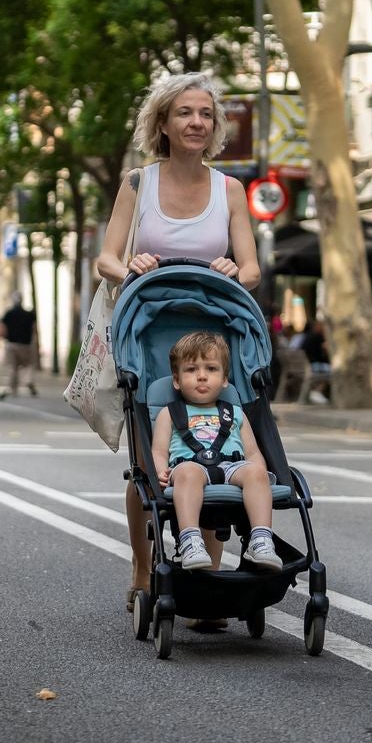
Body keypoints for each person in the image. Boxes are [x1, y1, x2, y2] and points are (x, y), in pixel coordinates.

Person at [96, 71, 260, 609]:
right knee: (147, 463)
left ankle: (205, 582)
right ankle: (143, 571)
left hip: (213, 334)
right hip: (149, 333)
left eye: (206, 114)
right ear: (163, 123)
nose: (196, 122)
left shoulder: (230, 190)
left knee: (215, 450)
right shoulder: (138, 183)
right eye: (185, 113)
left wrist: (235, 268)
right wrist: (128, 266)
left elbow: (253, 269)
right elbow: (105, 258)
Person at [152, 332, 281, 571]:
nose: (201, 376)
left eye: (211, 368)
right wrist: (161, 471)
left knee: (255, 472)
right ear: (177, 380)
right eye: (191, 370)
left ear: (224, 379)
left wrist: (260, 473)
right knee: (188, 472)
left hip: (231, 467)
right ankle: (191, 540)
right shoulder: (169, 413)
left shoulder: (235, 413)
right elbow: (158, 451)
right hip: (189, 466)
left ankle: (261, 539)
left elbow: (252, 453)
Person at [0, 293, 38, 400]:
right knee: (27, 365)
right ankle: (28, 381)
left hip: (11, 345)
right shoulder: (29, 314)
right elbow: (34, 329)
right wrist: (36, 343)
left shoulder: (8, 314)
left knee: (13, 368)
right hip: (25, 345)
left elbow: (2, 329)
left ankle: (12, 388)